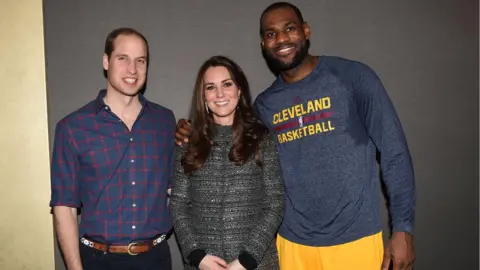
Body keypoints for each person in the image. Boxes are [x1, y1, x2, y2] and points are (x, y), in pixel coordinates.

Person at [175, 2, 416, 270]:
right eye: (270, 34)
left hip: (355, 239)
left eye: (289, 28)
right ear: (263, 44)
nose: (281, 39)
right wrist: (190, 131)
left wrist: (402, 228)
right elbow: (229, 135)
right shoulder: (265, 106)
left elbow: (394, 153)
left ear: (306, 30)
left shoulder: (353, 78)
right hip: (292, 246)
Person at [50, 27, 175, 270]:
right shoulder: (73, 127)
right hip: (98, 260)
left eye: (140, 60)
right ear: (106, 61)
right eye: (123, 58)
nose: (132, 69)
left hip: (156, 258)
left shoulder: (164, 121)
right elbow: (64, 207)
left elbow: (176, 190)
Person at [170, 55, 284, 270]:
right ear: (203, 96)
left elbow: (275, 203)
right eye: (211, 87)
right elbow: (178, 205)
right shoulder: (188, 143)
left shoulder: (262, 139)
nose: (219, 94)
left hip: (256, 264)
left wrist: (247, 259)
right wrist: (197, 256)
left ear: (239, 90)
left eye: (227, 84)